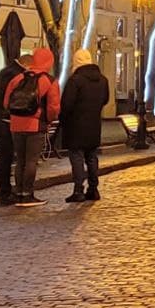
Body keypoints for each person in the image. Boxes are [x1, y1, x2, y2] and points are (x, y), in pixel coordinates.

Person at [5, 47, 60, 207]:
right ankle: (27, 194)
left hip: (16, 124)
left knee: (20, 160)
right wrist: (48, 120)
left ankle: (18, 192)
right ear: (49, 62)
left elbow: (6, 102)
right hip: (35, 125)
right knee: (31, 161)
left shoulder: (18, 78)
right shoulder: (49, 81)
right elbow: (53, 107)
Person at [60, 49, 110, 203]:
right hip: (94, 124)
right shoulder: (103, 80)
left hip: (75, 126)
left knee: (77, 157)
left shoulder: (75, 80)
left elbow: (67, 104)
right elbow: (105, 100)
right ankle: (93, 189)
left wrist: (63, 118)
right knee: (92, 157)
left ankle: (78, 190)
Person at [0, 56, 23, 206]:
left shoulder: (6, 71)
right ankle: (6, 192)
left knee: (5, 158)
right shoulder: (17, 75)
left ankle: (6, 191)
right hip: (5, 121)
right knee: (6, 158)